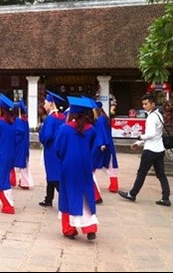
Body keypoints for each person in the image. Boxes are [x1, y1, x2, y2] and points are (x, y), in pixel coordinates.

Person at [54, 96, 99, 240]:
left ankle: (69, 229)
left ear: (72, 113)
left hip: (68, 166)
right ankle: (90, 227)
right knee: (86, 194)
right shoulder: (91, 129)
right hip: (85, 166)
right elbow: (93, 147)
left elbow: (58, 149)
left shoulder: (64, 129)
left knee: (67, 195)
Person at [119, 93, 171, 207]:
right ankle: (165, 198)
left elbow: (151, 134)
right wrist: (139, 142)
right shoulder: (158, 115)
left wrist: (140, 137)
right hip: (159, 149)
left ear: (152, 104)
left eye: (146, 104)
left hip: (150, 151)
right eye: (143, 104)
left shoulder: (152, 117)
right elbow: (156, 135)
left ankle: (132, 194)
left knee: (141, 173)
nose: (144, 106)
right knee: (161, 175)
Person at [38, 90, 66, 207]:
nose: (44, 105)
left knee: (53, 175)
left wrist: (42, 137)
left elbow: (47, 135)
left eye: (45, 102)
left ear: (51, 103)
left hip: (51, 150)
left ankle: (66, 199)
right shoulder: (62, 117)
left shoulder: (50, 119)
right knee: (52, 174)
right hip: (59, 149)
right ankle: (48, 198)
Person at [92, 101, 119, 203]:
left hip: (103, 144)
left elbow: (101, 132)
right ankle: (114, 185)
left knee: (96, 163)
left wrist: (102, 143)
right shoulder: (104, 117)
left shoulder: (101, 119)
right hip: (107, 143)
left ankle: (113, 186)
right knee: (111, 165)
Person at [13, 99, 33, 189]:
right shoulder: (25, 120)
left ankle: (22, 182)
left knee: (16, 164)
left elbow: (18, 132)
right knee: (24, 164)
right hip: (24, 145)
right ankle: (24, 181)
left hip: (19, 145)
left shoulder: (18, 120)